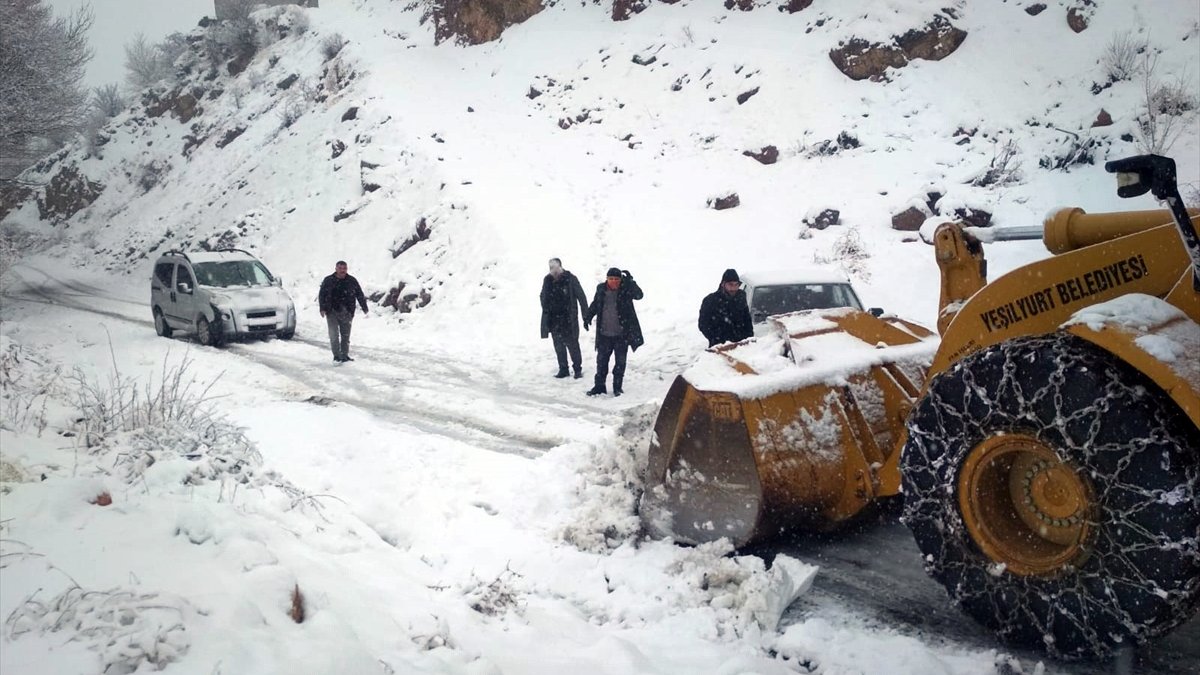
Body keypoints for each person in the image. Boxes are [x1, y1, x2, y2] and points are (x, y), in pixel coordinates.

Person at [583, 267, 644, 397]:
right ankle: (599, 387)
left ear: (620, 280)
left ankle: (617, 387)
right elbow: (595, 304)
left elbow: (639, 295)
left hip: (621, 335)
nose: (613, 282)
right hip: (604, 334)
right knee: (601, 363)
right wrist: (588, 316)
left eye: (616, 279)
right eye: (611, 279)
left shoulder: (625, 289)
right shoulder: (601, 289)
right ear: (607, 279)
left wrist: (630, 282)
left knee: (620, 363)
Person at [540, 257, 590, 379]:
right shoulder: (547, 280)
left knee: (573, 345)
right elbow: (542, 295)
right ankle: (563, 369)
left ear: (561, 267)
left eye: (556, 267)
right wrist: (545, 305)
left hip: (568, 320)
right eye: (551, 268)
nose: (554, 270)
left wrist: (586, 316)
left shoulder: (570, 279)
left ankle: (577, 369)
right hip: (553, 320)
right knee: (558, 346)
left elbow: (581, 297)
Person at [318, 260, 368, 363]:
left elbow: (359, 294)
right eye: (340, 268)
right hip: (331, 311)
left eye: (344, 268)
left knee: (345, 336)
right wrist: (322, 308)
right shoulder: (328, 280)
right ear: (336, 269)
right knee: (334, 335)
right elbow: (322, 294)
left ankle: (344, 355)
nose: (342, 271)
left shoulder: (352, 280)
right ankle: (336, 356)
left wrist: (364, 307)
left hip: (347, 312)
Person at [698, 268, 753, 348]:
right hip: (719, 346)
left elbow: (747, 319)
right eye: (730, 284)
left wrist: (748, 338)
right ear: (723, 284)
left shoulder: (741, 297)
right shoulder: (710, 300)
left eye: (736, 285)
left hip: (741, 346)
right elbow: (703, 324)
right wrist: (715, 339)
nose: (733, 288)